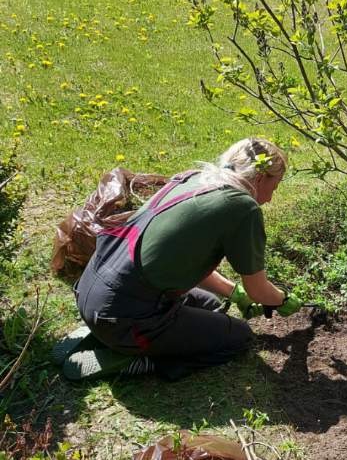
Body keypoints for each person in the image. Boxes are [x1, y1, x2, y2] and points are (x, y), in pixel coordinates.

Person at [54, 138, 302, 381]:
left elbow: (183, 257)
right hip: (122, 315)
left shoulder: (195, 179)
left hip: (92, 291)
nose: (270, 198)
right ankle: (137, 358)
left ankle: (105, 330)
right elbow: (258, 290)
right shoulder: (242, 208)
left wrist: (235, 293)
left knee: (211, 305)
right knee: (239, 336)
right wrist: (283, 299)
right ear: (260, 178)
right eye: (275, 186)